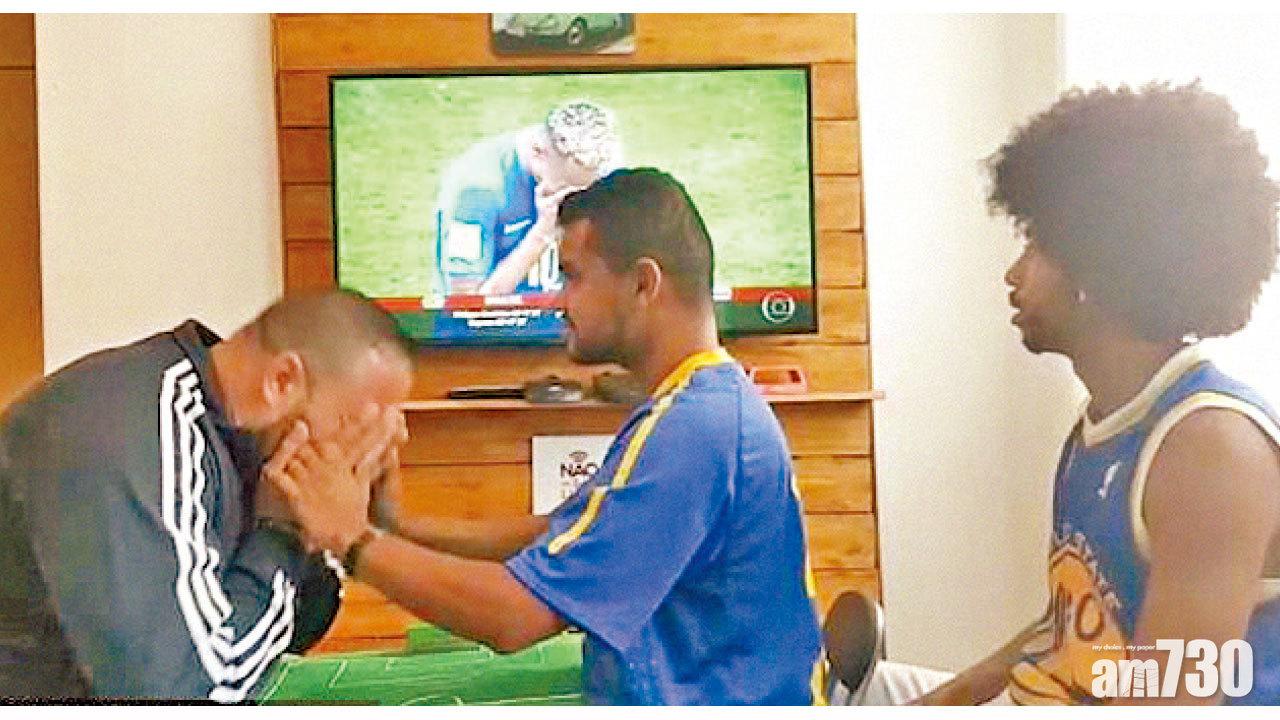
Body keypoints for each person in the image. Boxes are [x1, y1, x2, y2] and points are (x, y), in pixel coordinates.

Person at [273, 168, 824, 704]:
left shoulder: (695, 428)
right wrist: (395, 526)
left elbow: (516, 617)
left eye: (573, 276)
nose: (559, 301)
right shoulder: (695, 406)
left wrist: (352, 540)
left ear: (642, 284)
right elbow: (556, 536)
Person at [859, 82, 1280, 706]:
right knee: (865, 691)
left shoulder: (1210, 448)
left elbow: (1171, 699)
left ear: (1096, 268)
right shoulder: (1102, 421)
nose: (1013, 273)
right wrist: (937, 703)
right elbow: (1068, 626)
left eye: (1035, 247)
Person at [0, 290, 412, 702]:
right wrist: (280, 533)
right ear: (282, 381)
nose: (367, 449)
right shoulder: (144, 433)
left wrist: (336, 531)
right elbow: (193, 692)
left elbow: (285, 636)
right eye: (357, 426)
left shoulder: (235, 438)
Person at [431, 99, 621, 301]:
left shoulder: (600, 168)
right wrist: (543, 233)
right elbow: (466, 305)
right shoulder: (476, 191)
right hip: (501, 319)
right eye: (566, 190)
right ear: (538, 154)